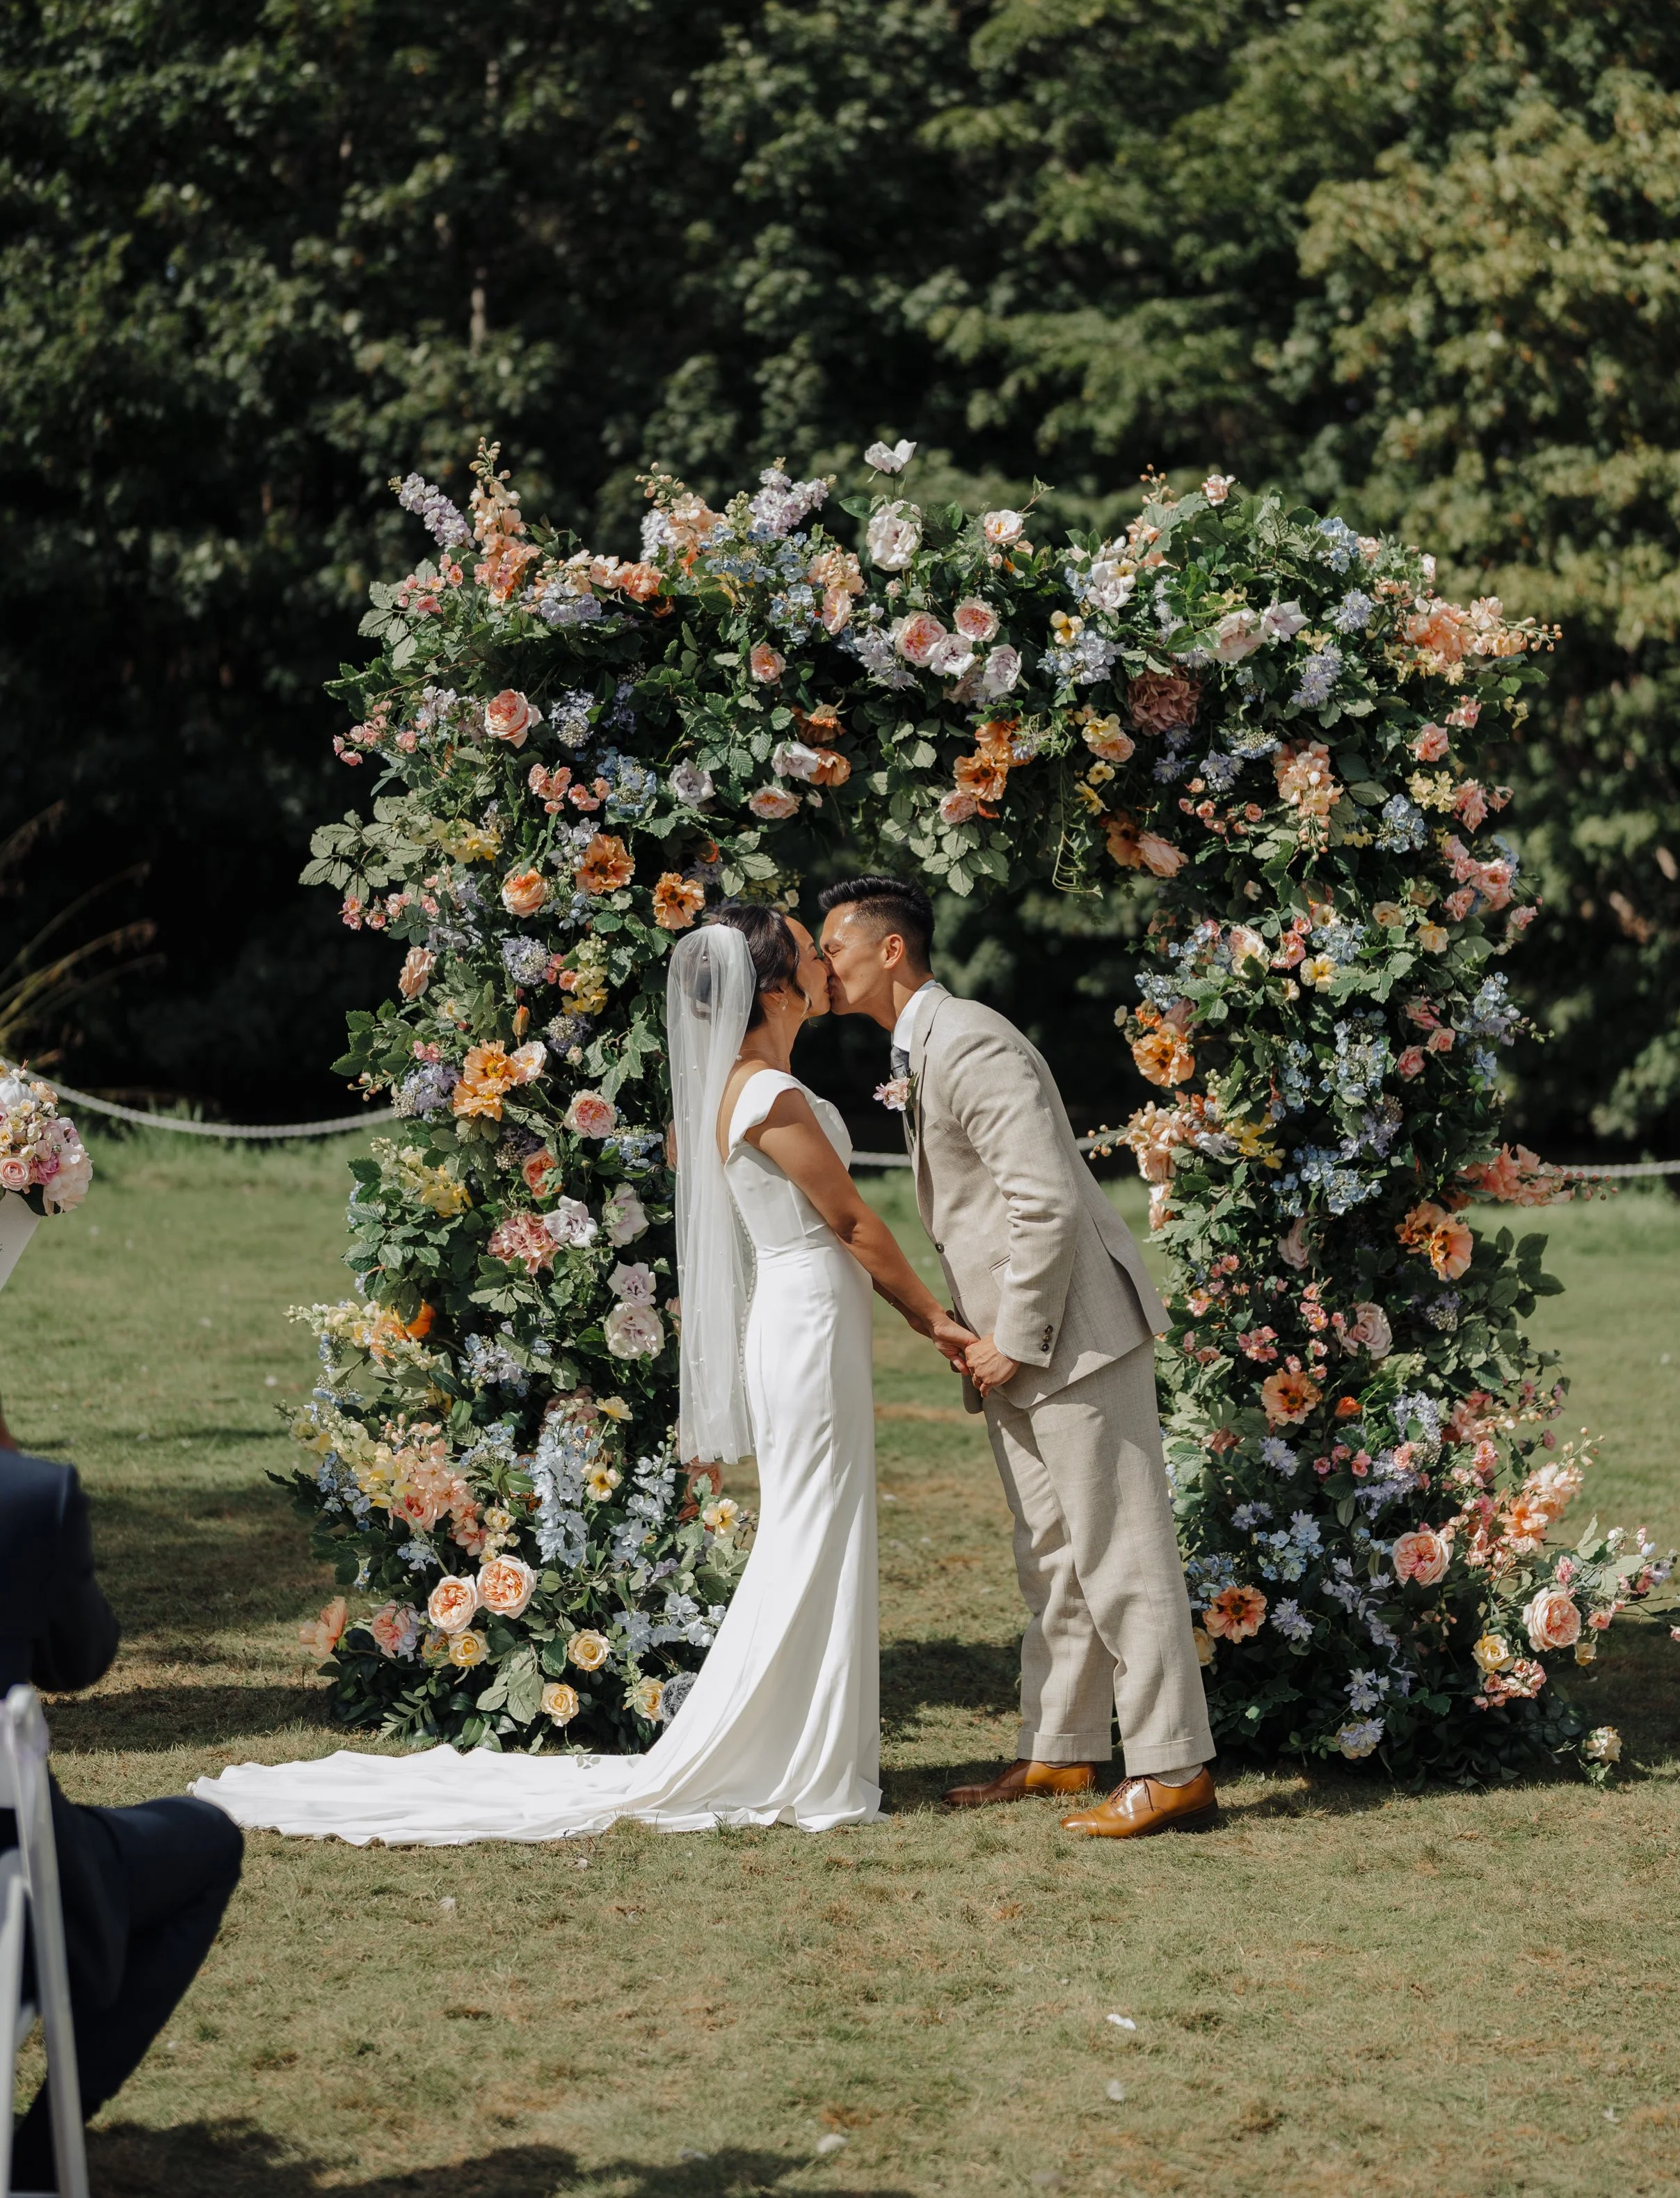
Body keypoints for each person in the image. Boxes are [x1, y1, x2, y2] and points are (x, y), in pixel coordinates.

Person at [194, 908, 963, 1845]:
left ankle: (808, 1741)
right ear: (774, 984)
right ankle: (796, 1750)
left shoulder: (734, 1089)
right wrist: (939, 1322)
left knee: (818, 1525)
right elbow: (851, 1225)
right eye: (808, 950)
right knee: (814, 1527)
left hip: (799, 1319)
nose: (823, 961)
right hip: (806, 1317)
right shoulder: (771, 1096)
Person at [819, 874, 1217, 1839]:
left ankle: (1173, 1767)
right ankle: (1064, 1746)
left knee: (1121, 1550)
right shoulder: (922, 1046)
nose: (821, 965)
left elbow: (1043, 1200)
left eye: (834, 946)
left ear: (891, 950)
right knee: (1051, 1553)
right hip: (1012, 1343)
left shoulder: (971, 1038)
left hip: (1068, 1335)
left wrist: (1017, 1338)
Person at [0, 1442, 244, 2189]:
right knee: (207, 1840)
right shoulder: (29, 1498)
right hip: (13, 1894)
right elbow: (81, 1656)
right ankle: (41, 2156)